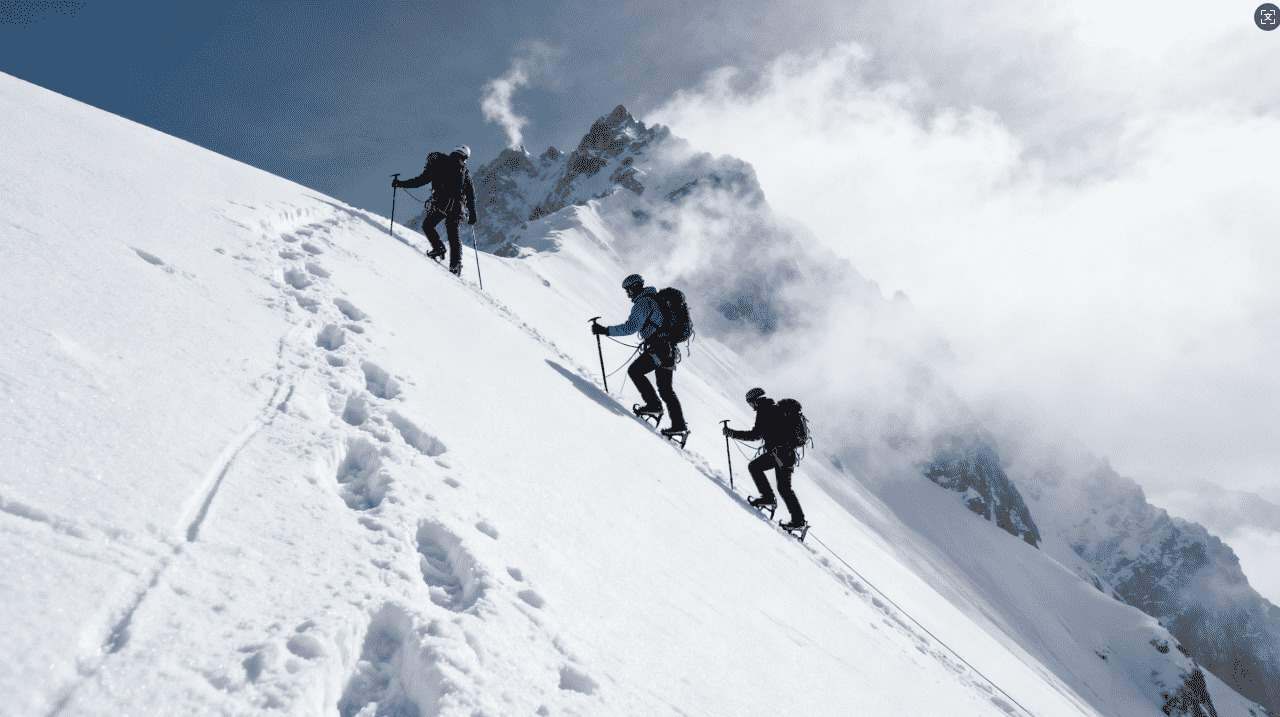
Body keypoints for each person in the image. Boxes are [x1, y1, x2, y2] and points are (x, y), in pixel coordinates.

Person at [592, 274, 688, 441]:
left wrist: (605, 330)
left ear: (634, 288)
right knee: (666, 389)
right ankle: (679, 426)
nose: (628, 294)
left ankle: (654, 406)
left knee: (635, 371)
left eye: (628, 290)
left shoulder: (643, 303)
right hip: (669, 350)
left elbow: (631, 327)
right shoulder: (656, 300)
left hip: (659, 348)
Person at [723, 387, 807, 530]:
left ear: (755, 401)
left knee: (755, 467)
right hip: (787, 455)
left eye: (750, 403)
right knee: (784, 488)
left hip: (779, 455)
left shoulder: (764, 411)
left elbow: (755, 435)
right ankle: (797, 520)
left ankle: (769, 499)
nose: (751, 406)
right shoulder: (774, 409)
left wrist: (732, 433)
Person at [393, 145, 477, 276]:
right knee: (453, 233)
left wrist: (400, 183)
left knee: (428, 225)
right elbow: (470, 195)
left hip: (441, 203)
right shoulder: (465, 172)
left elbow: (420, 181)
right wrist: (472, 213)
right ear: (465, 156)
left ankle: (439, 248)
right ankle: (455, 265)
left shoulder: (439, 163)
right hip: (457, 207)